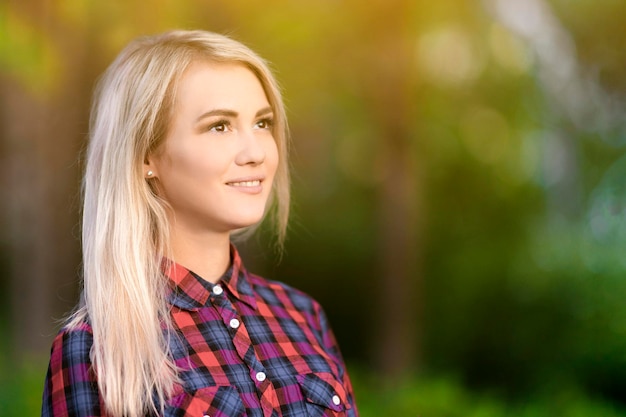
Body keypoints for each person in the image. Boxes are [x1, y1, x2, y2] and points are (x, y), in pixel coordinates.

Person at [41, 29, 358, 417]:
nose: (255, 152)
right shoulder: (94, 349)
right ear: (146, 156)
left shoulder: (303, 315)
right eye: (219, 126)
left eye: (262, 123)